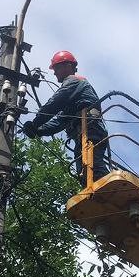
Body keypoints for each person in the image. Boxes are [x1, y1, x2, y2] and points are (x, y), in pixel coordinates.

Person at [22, 50, 111, 185]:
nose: (54, 72)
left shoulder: (75, 82)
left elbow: (55, 103)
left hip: (91, 130)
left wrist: (35, 123)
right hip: (84, 133)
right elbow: (60, 121)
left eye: (57, 67)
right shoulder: (73, 101)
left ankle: (108, 189)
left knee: (93, 167)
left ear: (68, 66)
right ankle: (99, 195)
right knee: (84, 171)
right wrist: (38, 130)